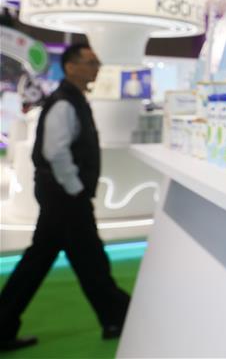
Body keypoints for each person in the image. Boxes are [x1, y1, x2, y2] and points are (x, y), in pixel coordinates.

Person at [0, 43, 130, 351]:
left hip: (61, 197)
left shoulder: (71, 100)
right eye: (90, 62)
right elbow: (55, 151)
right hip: (64, 198)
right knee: (85, 257)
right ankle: (117, 315)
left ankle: (115, 315)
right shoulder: (64, 103)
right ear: (71, 67)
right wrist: (75, 189)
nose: (96, 67)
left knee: (63, 258)